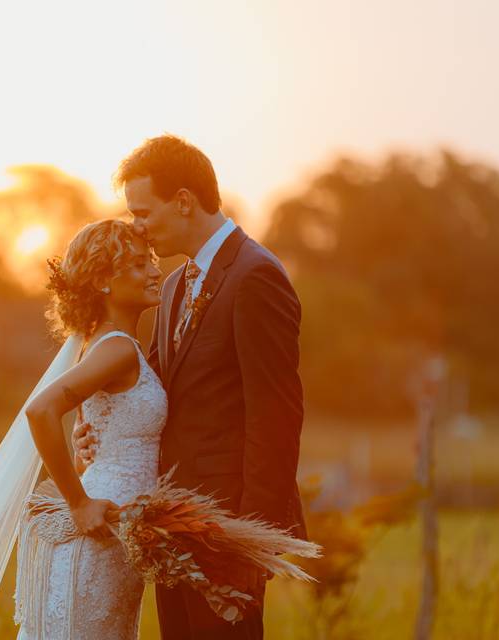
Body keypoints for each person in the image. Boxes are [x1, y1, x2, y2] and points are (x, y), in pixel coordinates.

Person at [74, 134, 307, 639]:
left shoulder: (256, 277)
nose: (137, 227)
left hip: (227, 530)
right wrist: (95, 428)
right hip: (169, 526)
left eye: (143, 212)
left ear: (183, 201)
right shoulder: (176, 286)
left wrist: (253, 540)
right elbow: (148, 391)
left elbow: (276, 414)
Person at [14, 219, 167, 639]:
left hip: (118, 537)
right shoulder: (116, 348)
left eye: (151, 260)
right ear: (103, 281)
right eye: (139, 264)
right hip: (99, 535)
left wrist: (83, 459)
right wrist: (78, 502)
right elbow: (41, 410)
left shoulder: (104, 344)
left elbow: (100, 429)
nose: (154, 271)